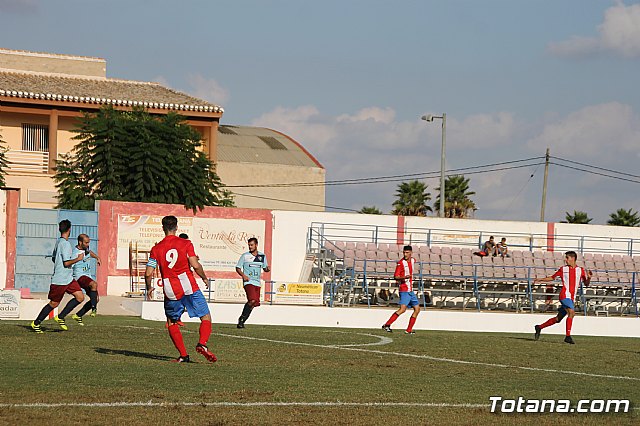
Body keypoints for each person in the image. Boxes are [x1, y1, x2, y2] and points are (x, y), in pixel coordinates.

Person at [144, 215, 217, 363]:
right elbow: (195, 265)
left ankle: (183, 355)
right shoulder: (185, 243)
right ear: (176, 228)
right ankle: (202, 344)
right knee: (205, 316)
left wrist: (149, 287)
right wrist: (203, 277)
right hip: (188, 285)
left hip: (170, 288)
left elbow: (148, 273)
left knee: (172, 321)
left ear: (163, 228)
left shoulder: (156, 249)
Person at [31, 220, 86, 333]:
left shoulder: (59, 242)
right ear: (69, 230)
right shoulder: (65, 244)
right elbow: (66, 263)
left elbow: (53, 258)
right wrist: (77, 259)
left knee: (80, 297)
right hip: (60, 280)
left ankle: (60, 317)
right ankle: (36, 323)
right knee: (54, 304)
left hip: (68, 278)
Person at [533, 251, 592, 344]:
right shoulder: (563, 269)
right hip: (564, 295)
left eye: (567, 258)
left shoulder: (580, 270)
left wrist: (589, 278)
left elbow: (586, 284)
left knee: (558, 319)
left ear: (573, 259)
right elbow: (552, 277)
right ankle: (567, 336)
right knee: (571, 313)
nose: (566, 260)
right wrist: (540, 279)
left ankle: (539, 327)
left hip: (571, 298)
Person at [382, 245, 420, 334]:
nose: (405, 254)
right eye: (404, 252)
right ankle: (387, 325)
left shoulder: (413, 260)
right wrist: (404, 277)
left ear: (411, 253)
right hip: (404, 289)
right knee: (402, 309)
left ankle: (409, 330)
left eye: (407, 252)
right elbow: (396, 276)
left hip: (410, 290)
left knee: (417, 309)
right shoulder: (400, 263)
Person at [235, 237, 270, 329]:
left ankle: (242, 321)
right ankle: (241, 319)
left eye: (251, 245)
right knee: (252, 300)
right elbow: (238, 268)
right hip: (248, 282)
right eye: (249, 245)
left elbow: (265, 268)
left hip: (257, 283)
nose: (250, 247)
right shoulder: (245, 256)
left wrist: (267, 269)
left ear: (256, 245)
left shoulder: (261, 256)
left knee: (254, 303)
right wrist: (243, 275)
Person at [70, 234, 101, 325]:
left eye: (88, 242)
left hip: (87, 276)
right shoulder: (75, 253)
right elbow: (70, 264)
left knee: (96, 299)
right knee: (94, 284)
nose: (88, 244)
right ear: (80, 242)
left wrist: (97, 257)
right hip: (80, 276)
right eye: (86, 242)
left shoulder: (85, 249)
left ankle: (78, 315)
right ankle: (94, 309)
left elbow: (89, 252)